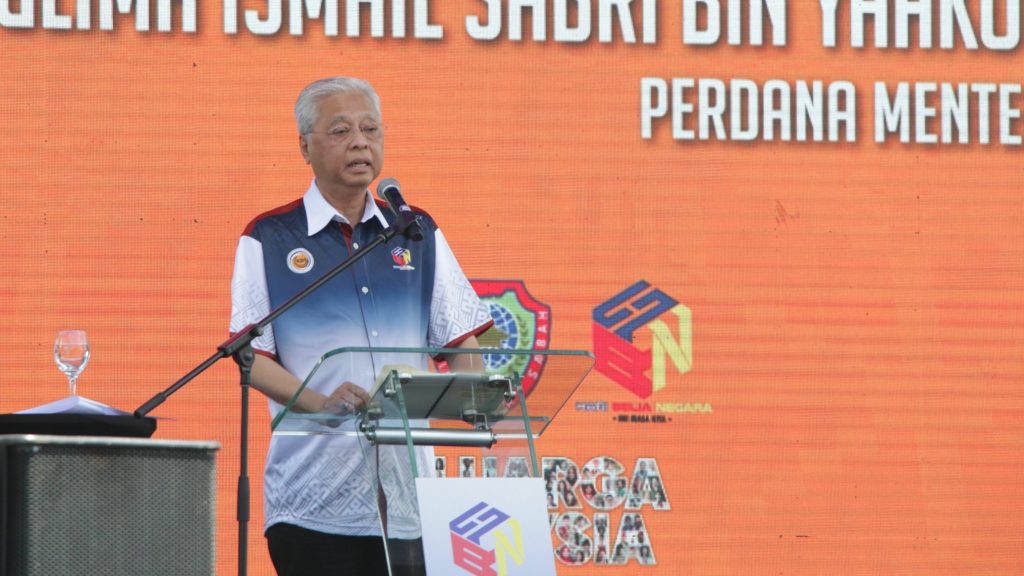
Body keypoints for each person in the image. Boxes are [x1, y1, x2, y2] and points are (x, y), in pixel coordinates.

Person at [230, 76, 493, 575]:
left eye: (371, 129)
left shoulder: (415, 230)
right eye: (341, 131)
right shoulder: (269, 237)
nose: (359, 142)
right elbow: (252, 358)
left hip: (408, 500)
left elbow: (462, 341)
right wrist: (320, 403)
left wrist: (471, 395)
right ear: (304, 146)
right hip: (313, 496)